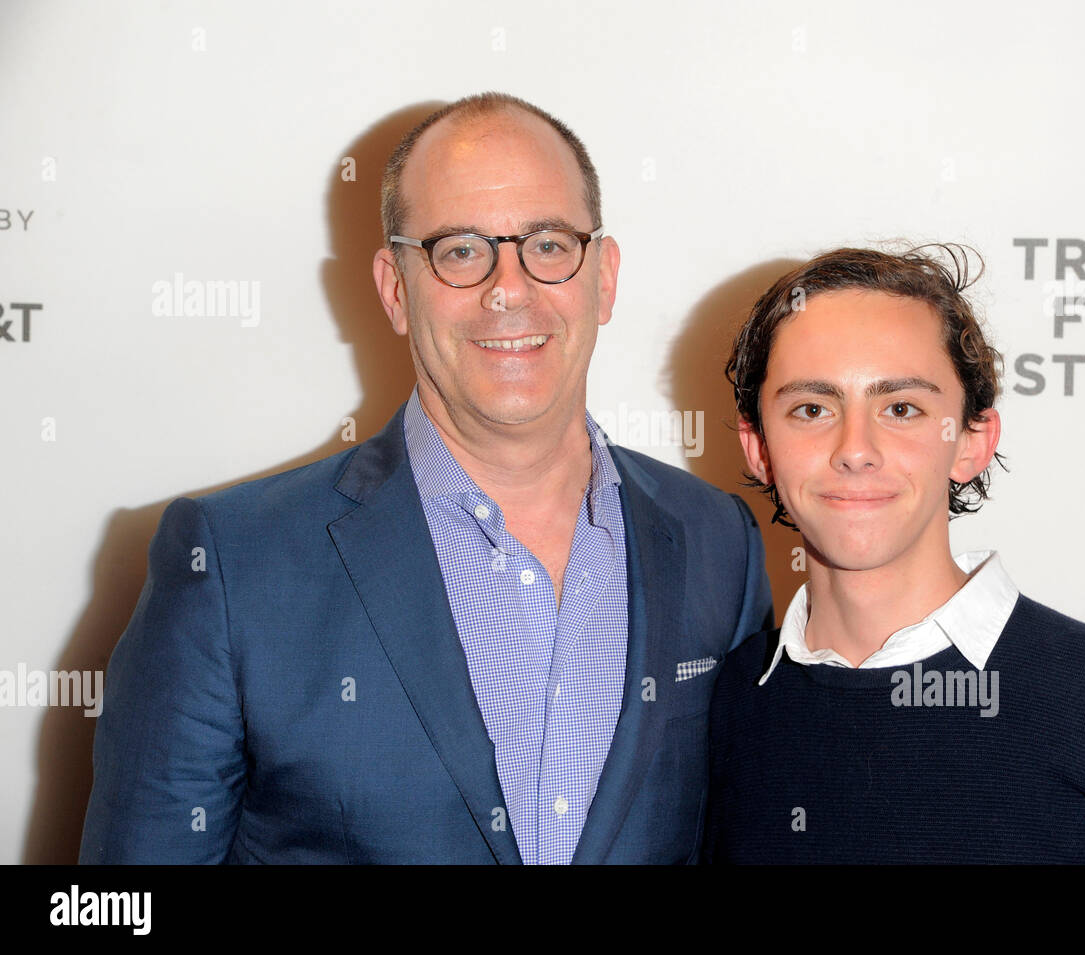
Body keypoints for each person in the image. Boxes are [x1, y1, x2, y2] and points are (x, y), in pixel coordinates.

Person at [79, 92, 772, 864]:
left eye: (547, 244)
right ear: (394, 287)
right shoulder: (232, 564)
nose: (509, 289)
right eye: (461, 249)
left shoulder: (720, 543)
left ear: (602, 278)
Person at [704, 245, 1085, 863]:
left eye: (901, 408)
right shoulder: (732, 699)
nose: (855, 449)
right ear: (760, 449)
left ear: (972, 442)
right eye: (812, 409)